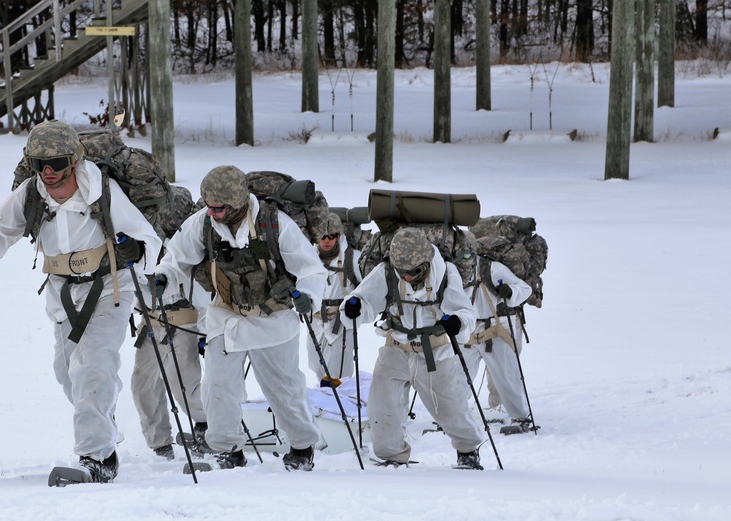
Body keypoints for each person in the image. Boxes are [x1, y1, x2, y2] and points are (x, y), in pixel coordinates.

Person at [0, 120, 162, 483]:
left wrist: (136, 249)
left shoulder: (104, 192)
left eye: (57, 164)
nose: (48, 173)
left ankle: (97, 459)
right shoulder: (30, 195)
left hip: (109, 288)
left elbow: (148, 241)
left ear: (74, 161)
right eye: (39, 165)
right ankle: (103, 425)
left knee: (92, 368)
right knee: (67, 374)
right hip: (62, 294)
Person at [152, 165, 328, 471]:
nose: (213, 213)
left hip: (273, 318)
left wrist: (308, 297)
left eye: (220, 208)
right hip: (227, 314)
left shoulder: (276, 225)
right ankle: (226, 450)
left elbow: (311, 269)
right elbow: (177, 257)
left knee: (283, 388)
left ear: (238, 203)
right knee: (218, 385)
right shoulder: (203, 223)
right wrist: (164, 277)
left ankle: (302, 447)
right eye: (209, 207)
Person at [342, 227, 486, 469]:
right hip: (395, 347)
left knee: (449, 410)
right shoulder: (386, 271)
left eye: (414, 272)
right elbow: (364, 299)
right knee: (381, 407)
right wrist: (353, 306)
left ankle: (468, 449)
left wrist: (457, 321)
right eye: (403, 273)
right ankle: (391, 455)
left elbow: (465, 312)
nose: (407, 277)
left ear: (427, 262)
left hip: (435, 351)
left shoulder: (446, 273)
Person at [130, 267, 209, 460]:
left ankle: (207, 426)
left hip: (184, 325)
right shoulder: (143, 242)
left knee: (184, 386)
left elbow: (205, 294)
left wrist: (206, 331)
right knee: (143, 387)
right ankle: (160, 445)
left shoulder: (183, 245)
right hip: (149, 325)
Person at [462, 248, 535, 433]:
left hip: (494, 328)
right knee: (456, 376)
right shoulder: (452, 269)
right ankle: (451, 418)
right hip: (466, 328)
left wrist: (510, 292)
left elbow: (525, 289)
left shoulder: (492, 269)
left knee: (506, 376)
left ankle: (520, 418)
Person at [306, 212, 362, 387]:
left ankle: (341, 409)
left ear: (339, 236)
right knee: (317, 368)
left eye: (332, 236)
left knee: (339, 377)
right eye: (323, 236)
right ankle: (326, 408)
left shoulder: (353, 259)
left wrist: (357, 303)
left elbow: (367, 289)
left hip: (342, 322)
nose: (327, 240)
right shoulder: (308, 257)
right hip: (315, 320)